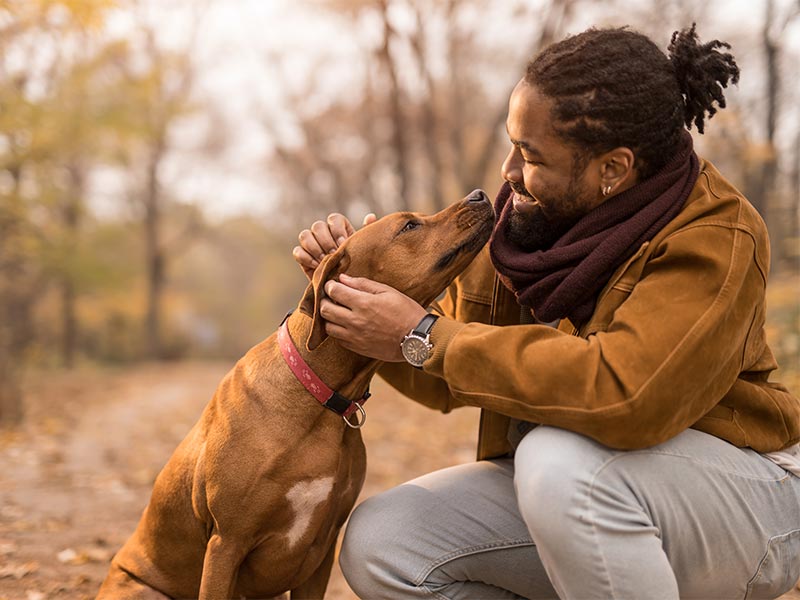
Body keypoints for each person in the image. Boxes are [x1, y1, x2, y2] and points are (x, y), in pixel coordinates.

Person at [293, 25, 800, 600]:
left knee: (558, 461)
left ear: (613, 169)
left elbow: (627, 395)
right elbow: (444, 370)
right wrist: (366, 303)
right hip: (583, 491)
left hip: (747, 497)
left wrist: (423, 333)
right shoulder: (522, 229)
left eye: (531, 155)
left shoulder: (715, 234)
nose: (508, 170)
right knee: (385, 542)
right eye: (513, 144)